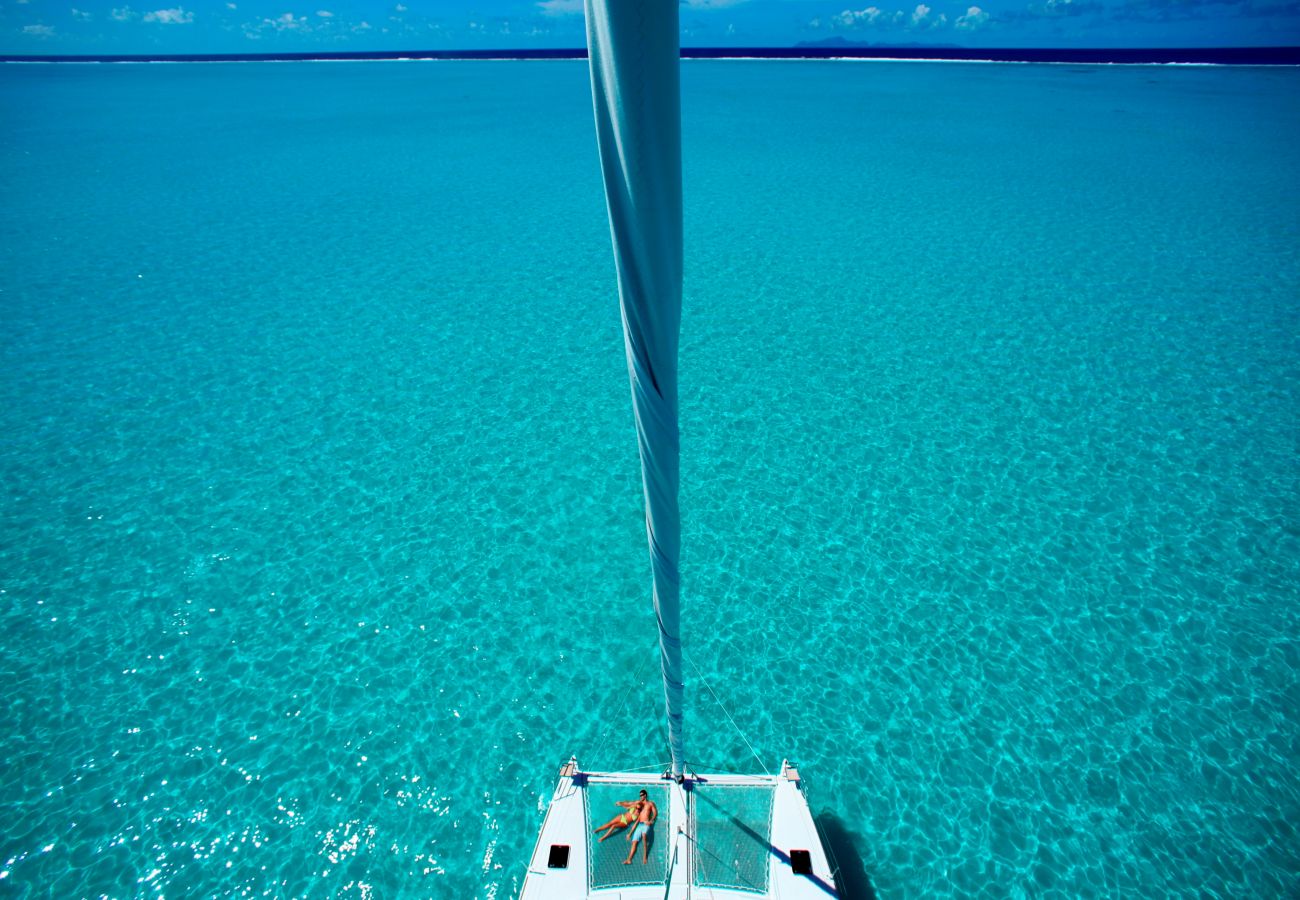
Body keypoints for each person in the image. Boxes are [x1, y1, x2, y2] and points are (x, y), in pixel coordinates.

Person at [624, 789, 657, 864]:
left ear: (645, 795)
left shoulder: (650, 803)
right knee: (634, 842)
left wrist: (651, 820)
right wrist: (630, 833)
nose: (640, 797)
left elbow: (655, 813)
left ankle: (645, 857)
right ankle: (629, 859)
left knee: (644, 837)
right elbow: (637, 821)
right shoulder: (640, 806)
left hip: (646, 824)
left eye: (642, 795)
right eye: (640, 795)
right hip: (640, 824)